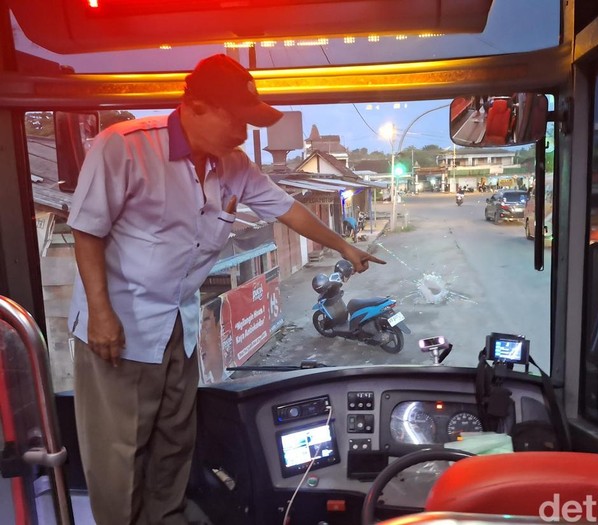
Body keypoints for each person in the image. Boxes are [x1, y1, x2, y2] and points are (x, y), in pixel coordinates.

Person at [67, 53, 385, 525]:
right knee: (120, 446)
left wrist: (346, 247)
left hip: (180, 321)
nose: (243, 132)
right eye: (237, 119)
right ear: (193, 107)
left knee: (176, 435)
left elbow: (287, 209)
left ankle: (166, 516)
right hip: (121, 324)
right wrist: (99, 313)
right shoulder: (124, 148)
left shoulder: (233, 164)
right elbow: (87, 230)